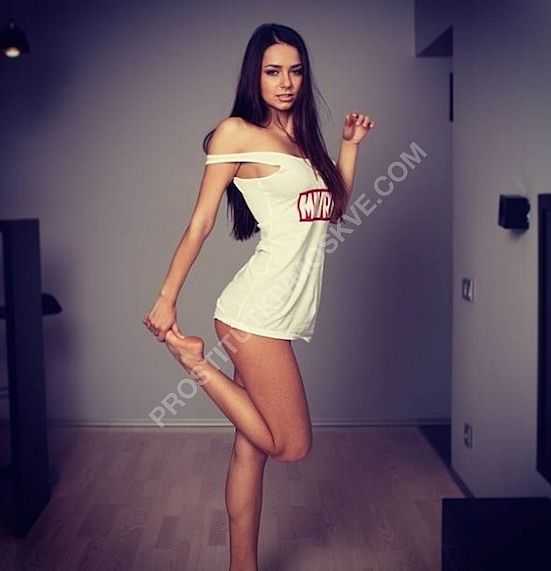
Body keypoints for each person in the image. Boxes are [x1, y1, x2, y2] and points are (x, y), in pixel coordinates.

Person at [143, 22, 374, 571]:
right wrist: (167, 297)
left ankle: (240, 565)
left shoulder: (303, 145)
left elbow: (333, 210)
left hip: (279, 312)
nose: (286, 82)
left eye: (295, 71)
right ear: (256, 75)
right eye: (273, 71)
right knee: (291, 444)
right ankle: (192, 360)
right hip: (255, 313)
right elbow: (201, 222)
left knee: (250, 447)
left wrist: (348, 148)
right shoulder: (236, 133)